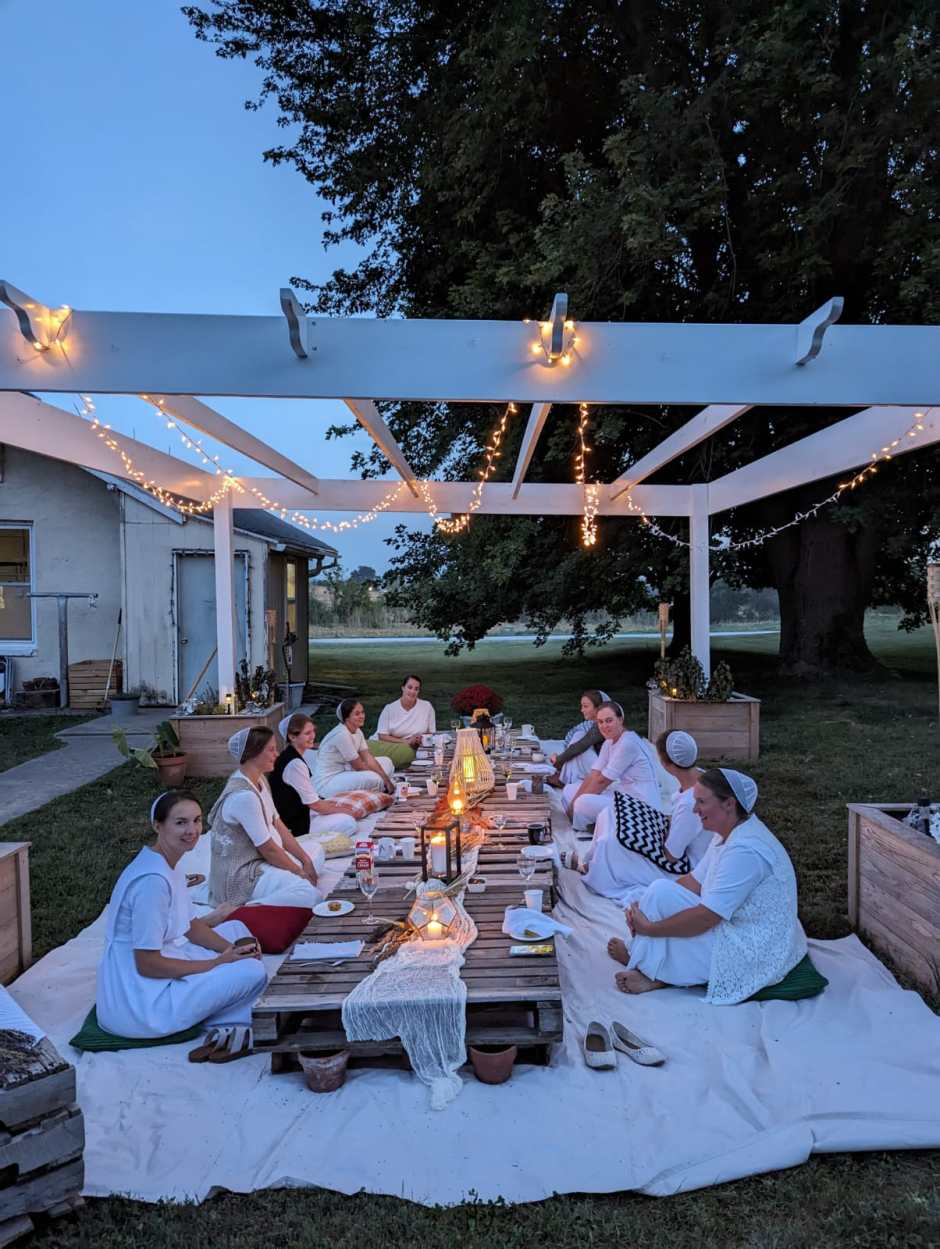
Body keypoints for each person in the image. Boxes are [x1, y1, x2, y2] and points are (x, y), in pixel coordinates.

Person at [608, 768, 807, 1004]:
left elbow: (706, 918)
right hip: (733, 923)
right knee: (659, 890)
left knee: (669, 917)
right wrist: (642, 906)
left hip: (756, 948)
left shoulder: (746, 851)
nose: (695, 810)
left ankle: (652, 971)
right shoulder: (727, 832)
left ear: (729, 804)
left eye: (701, 802)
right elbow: (693, 882)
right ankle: (647, 960)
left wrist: (650, 928)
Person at [96, 790, 268, 1061]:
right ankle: (232, 1025)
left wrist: (233, 951)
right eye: (180, 822)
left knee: (236, 931)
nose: (192, 830)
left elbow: (191, 927)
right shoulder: (152, 883)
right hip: (142, 1003)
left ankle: (227, 1019)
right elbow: (147, 964)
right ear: (157, 826)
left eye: (196, 820)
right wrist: (217, 963)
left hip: (162, 964)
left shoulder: (167, 863)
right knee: (253, 972)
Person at [578, 731, 712, 904]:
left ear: (665, 764)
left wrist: (647, 831)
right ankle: (592, 863)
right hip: (675, 839)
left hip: (686, 866)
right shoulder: (701, 776)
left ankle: (595, 870)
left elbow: (672, 855)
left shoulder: (691, 802)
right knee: (610, 813)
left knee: (611, 843)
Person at [207, 726, 327, 909]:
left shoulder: (260, 780)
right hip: (243, 874)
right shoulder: (244, 796)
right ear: (253, 753)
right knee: (310, 895)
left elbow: (277, 824)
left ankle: (285, 886)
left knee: (316, 851)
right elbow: (269, 850)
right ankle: (237, 910)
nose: (276, 754)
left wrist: (306, 861)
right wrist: (300, 873)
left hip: (263, 861)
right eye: (271, 750)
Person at [563, 701, 661, 832]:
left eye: (609, 721)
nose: (604, 726)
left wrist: (575, 805)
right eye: (600, 722)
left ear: (620, 720)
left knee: (582, 802)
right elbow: (593, 775)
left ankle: (601, 827)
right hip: (624, 795)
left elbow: (602, 781)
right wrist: (572, 804)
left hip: (642, 805)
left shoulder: (628, 742)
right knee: (569, 789)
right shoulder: (609, 742)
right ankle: (599, 823)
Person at [270, 713, 360, 841]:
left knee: (334, 805)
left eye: (313, 731)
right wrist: (348, 811)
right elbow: (316, 805)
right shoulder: (294, 764)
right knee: (348, 822)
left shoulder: (290, 755)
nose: (313, 736)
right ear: (292, 737)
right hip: (295, 824)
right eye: (307, 733)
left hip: (301, 811)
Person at [315, 699, 395, 797]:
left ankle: (382, 786)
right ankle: (381, 788)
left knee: (387, 761)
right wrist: (383, 778)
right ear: (347, 718)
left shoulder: (358, 731)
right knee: (375, 778)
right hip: (329, 781)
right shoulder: (342, 735)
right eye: (357, 714)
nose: (362, 716)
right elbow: (359, 766)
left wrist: (385, 779)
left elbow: (368, 758)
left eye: (362, 712)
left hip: (346, 771)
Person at [546, 690, 606, 788]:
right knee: (579, 736)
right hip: (596, 764)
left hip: (602, 771)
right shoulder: (594, 723)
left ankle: (563, 778)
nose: (582, 710)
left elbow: (580, 746)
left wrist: (559, 761)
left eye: (585, 706)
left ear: (598, 708)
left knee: (578, 746)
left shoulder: (602, 725)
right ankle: (565, 777)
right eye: (582, 706)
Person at [372, 674, 436, 750]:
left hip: (413, 747)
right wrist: (407, 741)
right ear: (403, 688)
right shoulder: (389, 709)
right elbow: (382, 736)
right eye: (409, 687)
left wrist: (420, 738)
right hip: (384, 746)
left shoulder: (427, 707)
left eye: (416, 689)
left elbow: (431, 733)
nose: (412, 691)